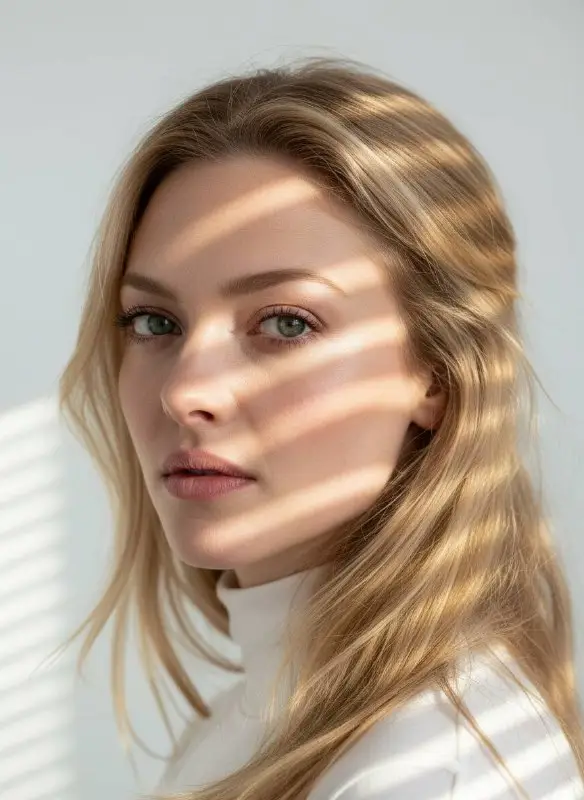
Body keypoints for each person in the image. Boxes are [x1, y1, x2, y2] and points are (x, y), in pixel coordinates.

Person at [58, 56, 584, 799]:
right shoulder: (261, 722)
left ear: (436, 374)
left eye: (285, 322)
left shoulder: (436, 773)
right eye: (154, 321)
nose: (184, 391)